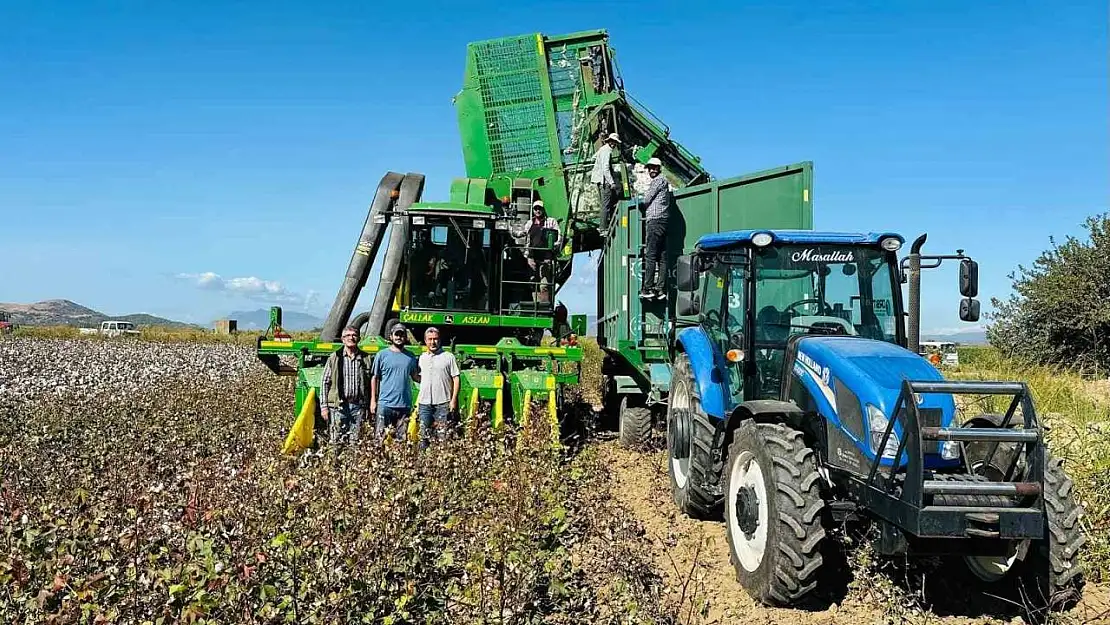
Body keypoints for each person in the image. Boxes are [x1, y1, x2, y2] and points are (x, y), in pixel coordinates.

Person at [320, 325, 373, 445]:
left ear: (359, 338)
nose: (351, 338)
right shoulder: (335, 358)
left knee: (356, 441)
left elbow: (371, 383)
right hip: (338, 407)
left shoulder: (366, 358)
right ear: (343, 339)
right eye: (348, 335)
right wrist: (324, 407)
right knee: (336, 441)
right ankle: (334, 463)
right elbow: (325, 382)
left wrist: (370, 405)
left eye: (354, 335)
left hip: (358, 406)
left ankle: (352, 463)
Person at [370, 323, 421, 443]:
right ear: (391, 337)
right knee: (380, 439)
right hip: (385, 405)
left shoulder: (411, 356)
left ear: (406, 337)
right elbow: (375, 378)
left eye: (402, 335)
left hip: (404, 405)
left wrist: (432, 379)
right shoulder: (382, 355)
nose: (399, 337)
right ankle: (380, 461)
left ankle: (396, 462)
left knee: (401, 440)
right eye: (396, 335)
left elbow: (415, 377)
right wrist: (373, 400)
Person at [416, 327, 460, 450]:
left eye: (435, 339)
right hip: (424, 404)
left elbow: (456, 378)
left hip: (443, 403)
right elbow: (418, 377)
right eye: (430, 339)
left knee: (442, 438)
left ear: (440, 340)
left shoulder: (448, 357)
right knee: (423, 437)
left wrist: (453, 400)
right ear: (425, 341)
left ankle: (440, 463)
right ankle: (423, 464)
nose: (433, 342)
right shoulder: (421, 358)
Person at [640, 157, 671, 300]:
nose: (651, 170)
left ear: (659, 169)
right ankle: (660, 289)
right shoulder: (664, 182)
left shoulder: (658, 181)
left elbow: (647, 200)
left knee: (651, 255)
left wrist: (640, 204)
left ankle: (647, 289)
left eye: (654, 168)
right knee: (662, 257)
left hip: (655, 221)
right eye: (650, 168)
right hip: (663, 221)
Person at [525, 200, 561, 303]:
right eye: (535, 209)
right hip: (532, 257)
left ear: (543, 209)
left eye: (539, 208)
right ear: (533, 210)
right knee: (533, 282)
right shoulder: (529, 223)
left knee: (544, 284)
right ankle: (535, 305)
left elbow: (559, 236)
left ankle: (543, 307)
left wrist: (553, 246)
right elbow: (523, 235)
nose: (537, 210)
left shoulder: (551, 222)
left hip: (546, 257)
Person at [590, 132, 621, 232]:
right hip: (604, 181)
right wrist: (612, 182)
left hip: (599, 180)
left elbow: (593, 158)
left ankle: (604, 225)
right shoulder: (607, 151)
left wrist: (595, 163)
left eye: (615, 142)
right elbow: (606, 169)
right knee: (606, 205)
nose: (613, 144)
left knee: (606, 203)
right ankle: (603, 228)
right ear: (610, 141)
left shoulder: (602, 149)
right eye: (613, 142)